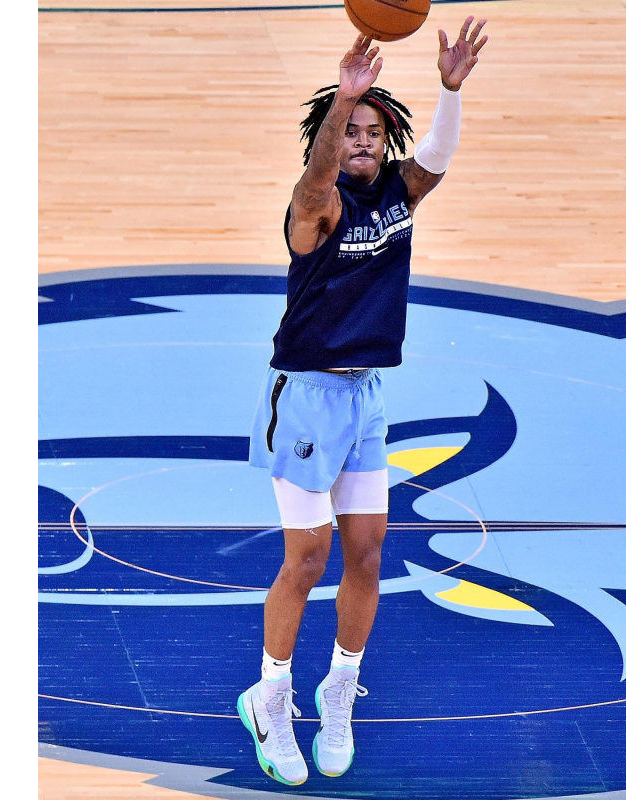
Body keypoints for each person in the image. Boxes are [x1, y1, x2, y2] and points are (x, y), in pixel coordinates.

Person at [238, 17, 489, 786]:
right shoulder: (315, 207)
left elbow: (435, 159)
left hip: (365, 397)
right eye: (351, 130)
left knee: (370, 553)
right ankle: (269, 697)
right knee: (307, 558)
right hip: (306, 397)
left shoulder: (395, 198)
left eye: (374, 132)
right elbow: (315, 178)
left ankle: (338, 686)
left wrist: (449, 90)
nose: (363, 141)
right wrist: (345, 98)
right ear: (331, 133)